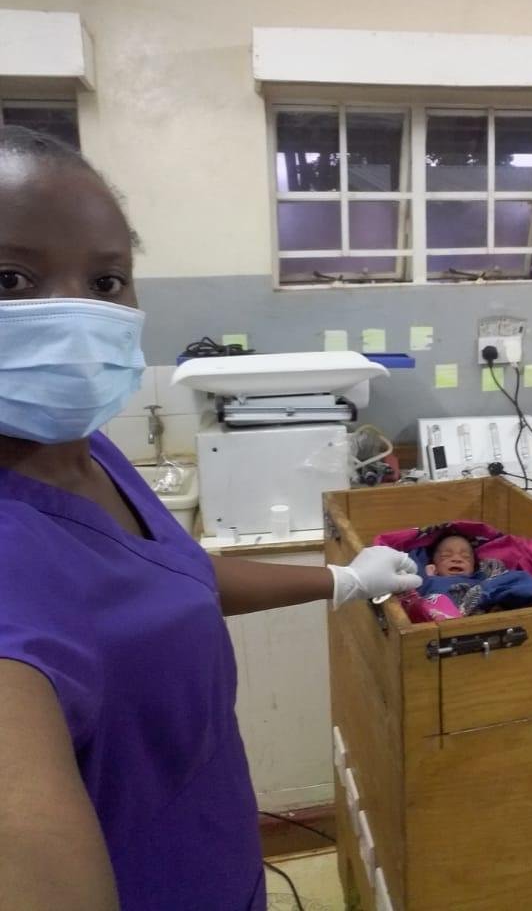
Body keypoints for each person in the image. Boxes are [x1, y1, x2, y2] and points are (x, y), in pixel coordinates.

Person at [0, 126, 421, 911]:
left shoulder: (80, 452)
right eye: (11, 278)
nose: (74, 315)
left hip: (221, 869)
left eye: (105, 281)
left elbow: (164, 581)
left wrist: (341, 579)